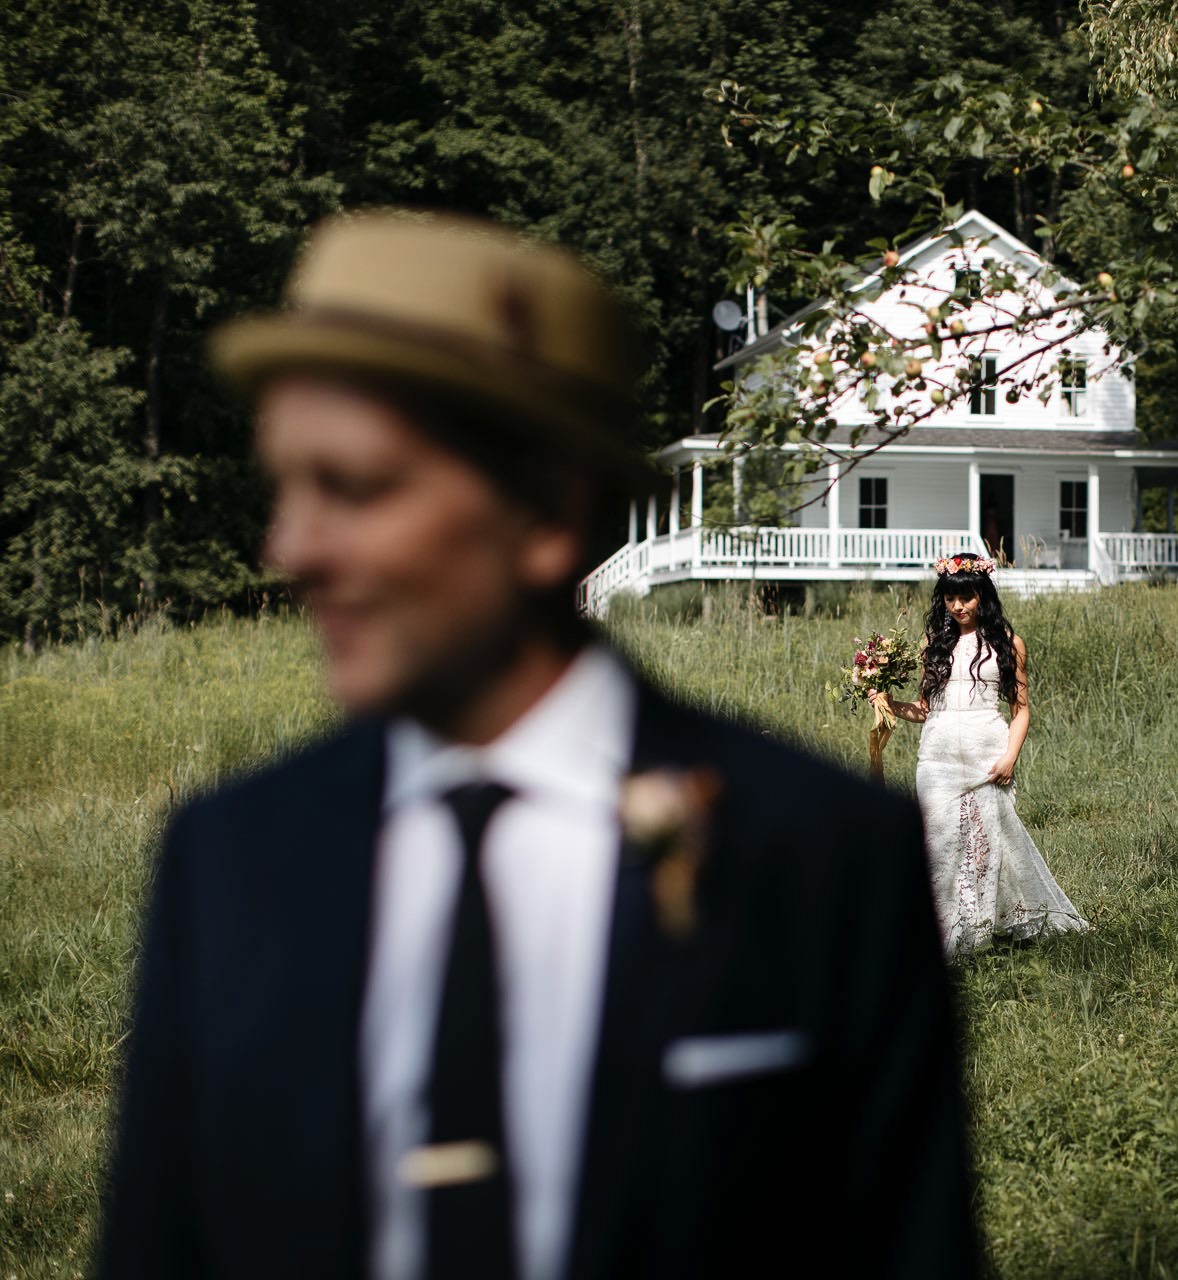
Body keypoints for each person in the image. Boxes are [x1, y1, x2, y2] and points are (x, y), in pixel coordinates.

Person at [97, 210, 975, 1280]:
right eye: (286, 485)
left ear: (548, 511)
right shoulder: (228, 855)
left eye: (357, 487)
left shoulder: (825, 852)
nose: (292, 548)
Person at [870, 554, 1088, 956]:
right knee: (937, 840)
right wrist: (888, 703)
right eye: (951, 599)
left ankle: (977, 930)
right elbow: (925, 709)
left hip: (986, 752)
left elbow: (1021, 710)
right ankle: (937, 932)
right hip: (937, 756)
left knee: (984, 842)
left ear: (982, 596)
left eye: (967, 598)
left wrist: (1010, 757)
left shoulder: (1007, 642)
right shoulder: (933, 644)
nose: (958, 607)